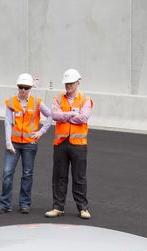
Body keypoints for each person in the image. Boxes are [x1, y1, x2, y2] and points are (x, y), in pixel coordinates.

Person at [0, 73, 51, 214]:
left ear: (30, 88)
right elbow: (7, 122)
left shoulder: (37, 102)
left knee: (27, 174)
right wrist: (8, 142)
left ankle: (24, 204)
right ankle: (5, 204)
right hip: (14, 143)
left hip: (30, 144)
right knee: (7, 173)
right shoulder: (11, 102)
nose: (23, 90)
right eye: (21, 87)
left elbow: (50, 115)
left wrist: (41, 131)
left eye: (26, 88)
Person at [45, 68, 93, 220]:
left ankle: (83, 208)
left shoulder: (85, 99)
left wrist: (65, 116)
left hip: (78, 144)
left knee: (79, 177)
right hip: (61, 143)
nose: (68, 86)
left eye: (71, 83)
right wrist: (72, 114)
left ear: (78, 83)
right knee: (59, 176)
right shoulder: (58, 99)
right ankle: (57, 207)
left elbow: (83, 118)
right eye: (66, 83)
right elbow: (54, 115)